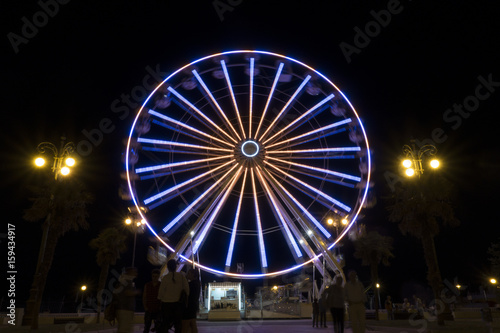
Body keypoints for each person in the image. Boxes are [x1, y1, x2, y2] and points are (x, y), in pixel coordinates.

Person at [158, 259, 189, 333]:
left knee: (165, 324)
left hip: (166, 305)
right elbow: (187, 290)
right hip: (178, 305)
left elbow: (160, 293)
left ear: (168, 267)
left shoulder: (165, 278)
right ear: (175, 267)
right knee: (178, 325)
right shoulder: (181, 277)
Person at [114, 267, 140, 333]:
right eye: (134, 271)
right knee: (124, 329)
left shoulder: (125, 280)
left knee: (125, 329)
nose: (136, 273)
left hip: (124, 309)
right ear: (130, 272)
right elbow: (127, 292)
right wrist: (136, 292)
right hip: (125, 309)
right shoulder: (126, 281)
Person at [182, 268, 201, 333]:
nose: (187, 274)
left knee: (185, 326)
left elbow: (185, 292)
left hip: (188, 307)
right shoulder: (198, 283)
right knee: (193, 325)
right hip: (194, 306)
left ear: (193, 275)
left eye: (189, 273)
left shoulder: (191, 284)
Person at [143, 269, 161, 333]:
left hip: (158, 309)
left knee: (158, 328)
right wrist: (145, 307)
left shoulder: (161, 285)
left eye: (156, 276)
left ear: (158, 276)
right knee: (146, 327)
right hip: (149, 308)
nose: (154, 278)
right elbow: (144, 297)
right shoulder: (147, 285)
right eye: (153, 276)